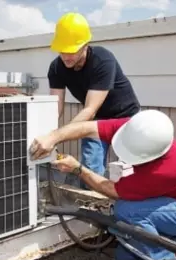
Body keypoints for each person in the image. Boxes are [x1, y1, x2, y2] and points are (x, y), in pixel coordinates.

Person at [29, 109, 176, 260]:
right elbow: (88, 127)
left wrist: (78, 169)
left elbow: (113, 191)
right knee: (123, 253)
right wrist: (53, 137)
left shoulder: (166, 170)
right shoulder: (137, 130)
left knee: (127, 211)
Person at [47, 12, 141, 188]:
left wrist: (56, 136)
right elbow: (56, 107)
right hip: (97, 120)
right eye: (62, 50)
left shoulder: (103, 60)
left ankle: (129, 210)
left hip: (126, 118)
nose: (66, 56)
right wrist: (47, 134)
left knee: (132, 170)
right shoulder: (56, 68)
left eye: (72, 50)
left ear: (85, 45)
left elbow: (90, 109)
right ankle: (91, 210)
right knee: (90, 169)